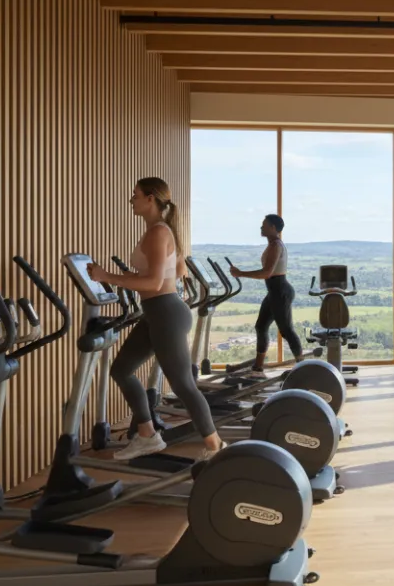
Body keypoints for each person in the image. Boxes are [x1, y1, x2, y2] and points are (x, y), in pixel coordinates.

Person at [87, 177, 225, 461]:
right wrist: (127, 277)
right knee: (122, 370)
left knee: (183, 385)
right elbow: (175, 273)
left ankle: (217, 449)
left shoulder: (158, 233)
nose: (131, 200)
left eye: (135, 195)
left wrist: (106, 276)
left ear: (150, 199)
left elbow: (153, 283)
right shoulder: (159, 231)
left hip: (164, 312)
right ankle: (147, 435)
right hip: (157, 312)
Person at [228, 214, 304, 372]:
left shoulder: (276, 245)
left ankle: (303, 367)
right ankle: (258, 366)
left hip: (280, 291)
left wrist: (241, 273)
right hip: (274, 292)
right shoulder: (272, 245)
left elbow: (266, 273)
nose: (261, 227)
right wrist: (240, 273)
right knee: (261, 326)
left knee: (286, 330)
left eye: (264, 225)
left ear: (273, 228)